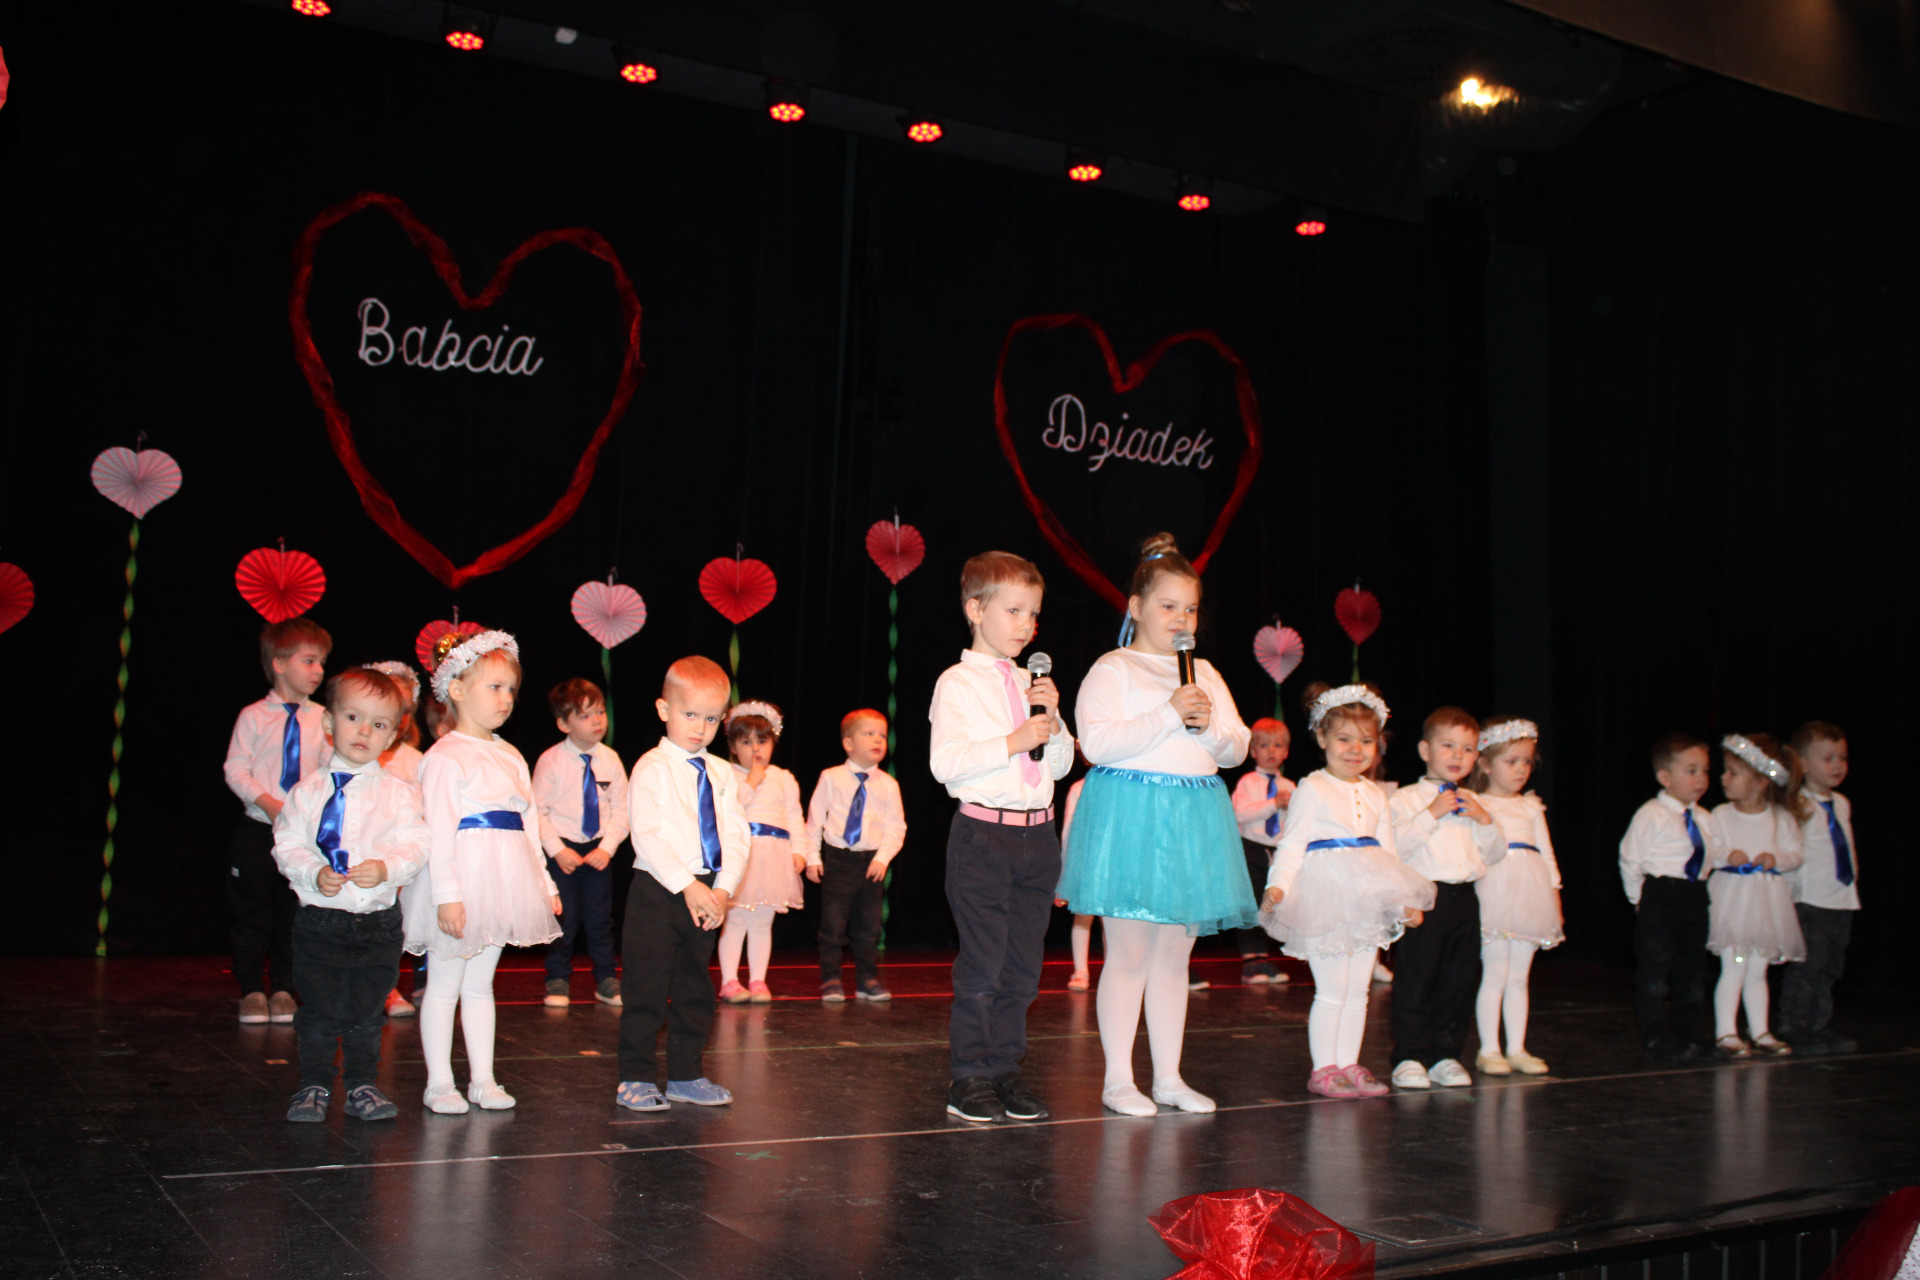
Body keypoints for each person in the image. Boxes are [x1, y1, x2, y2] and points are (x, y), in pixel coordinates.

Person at [1056, 532, 1259, 1118]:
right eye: (1168, 605)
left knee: (1175, 956)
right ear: (1136, 606)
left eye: (1190, 608)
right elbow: (1098, 744)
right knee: (1129, 952)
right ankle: (1119, 1080)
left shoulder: (1205, 673)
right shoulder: (1114, 667)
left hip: (1193, 817)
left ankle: (1169, 1077)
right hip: (1132, 815)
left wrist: (1206, 727)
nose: (1180, 619)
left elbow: (1236, 746)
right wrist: (1169, 713)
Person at [928, 550, 1075, 1123]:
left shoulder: (1032, 682)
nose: (1025, 624)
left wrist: (1053, 722)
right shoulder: (958, 682)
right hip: (983, 837)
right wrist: (1016, 740)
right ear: (975, 610)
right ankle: (968, 1075)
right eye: (1013, 610)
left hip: (1038, 839)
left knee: (1022, 969)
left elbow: (1060, 766)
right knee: (984, 966)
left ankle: (1005, 1067)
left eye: (1032, 613)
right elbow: (946, 764)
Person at [404, 628, 563, 1113]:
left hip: (503, 881)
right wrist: (446, 895)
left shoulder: (511, 754)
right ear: (457, 690)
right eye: (494, 687)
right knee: (444, 985)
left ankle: (483, 1080)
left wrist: (544, 883)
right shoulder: (444, 756)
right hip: (462, 882)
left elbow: (529, 825)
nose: (506, 698)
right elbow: (438, 832)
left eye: (510, 688)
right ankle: (439, 1083)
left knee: (479, 986)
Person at [1263, 684, 1433, 1099]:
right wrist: (1277, 886)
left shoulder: (1376, 794)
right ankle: (1324, 1068)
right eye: (1344, 739)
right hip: (1326, 897)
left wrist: (1402, 900)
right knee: (1332, 989)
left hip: (1365, 899)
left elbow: (1387, 854)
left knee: (1358, 991)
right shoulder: (1312, 787)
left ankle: (1348, 1062)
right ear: (1322, 738)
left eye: (1366, 741)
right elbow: (1292, 843)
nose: (1355, 749)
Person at [273, 668, 427, 1122]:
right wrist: (313, 872)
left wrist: (387, 868)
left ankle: (362, 1084)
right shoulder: (306, 792)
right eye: (353, 717)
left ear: (392, 736)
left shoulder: (399, 794)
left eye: (378, 724)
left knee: (367, 1012)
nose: (364, 732)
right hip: (322, 922)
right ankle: (314, 1084)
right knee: (320, 1012)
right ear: (328, 722)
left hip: (378, 925)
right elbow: (287, 844)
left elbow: (417, 844)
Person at [616, 656, 750, 1111]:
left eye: (711, 719)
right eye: (690, 714)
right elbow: (647, 834)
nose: (700, 728)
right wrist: (688, 886)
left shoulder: (721, 772)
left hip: (708, 891)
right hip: (660, 889)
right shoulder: (652, 766)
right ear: (663, 709)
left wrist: (723, 889)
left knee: (695, 989)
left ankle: (686, 1074)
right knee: (646, 989)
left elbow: (736, 833)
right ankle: (636, 1076)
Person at [224, 616, 331, 1024]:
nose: (318, 670)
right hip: (257, 829)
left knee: (294, 912)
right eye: (309, 661)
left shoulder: (323, 718)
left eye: (321, 662)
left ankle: (285, 988)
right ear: (280, 663)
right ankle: (252, 989)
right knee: (251, 911)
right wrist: (267, 802)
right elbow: (236, 768)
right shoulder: (253, 716)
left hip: (300, 834)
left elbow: (328, 769)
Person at [1619, 732, 1723, 1062]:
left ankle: (1689, 1033)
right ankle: (1656, 1037)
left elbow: (1712, 855)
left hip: (1694, 895)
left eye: (1705, 771)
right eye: (1691, 771)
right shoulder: (1652, 814)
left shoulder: (1705, 818)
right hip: (1661, 894)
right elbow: (1630, 858)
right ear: (1665, 777)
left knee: (1692, 970)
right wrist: (1638, 899)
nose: (1701, 779)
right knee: (1654, 972)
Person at [1468, 717, 1562, 1076]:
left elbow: (1547, 855)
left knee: (1520, 977)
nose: (1521, 769)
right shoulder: (1477, 802)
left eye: (1527, 761)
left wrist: (1554, 897)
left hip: (1531, 895)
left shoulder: (1530, 806)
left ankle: (1517, 1048)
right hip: (1495, 892)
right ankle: (1489, 1049)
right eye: (1511, 761)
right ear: (1485, 763)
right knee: (1495, 973)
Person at [1708, 733, 1807, 1057]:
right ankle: (1726, 1032)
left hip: (1766, 909)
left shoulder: (1781, 819)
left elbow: (1796, 855)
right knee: (1734, 968)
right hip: (1733, 909)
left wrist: (1774, 860)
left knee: (1758, 971)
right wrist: (1727, 855)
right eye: (1725, 771)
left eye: (1733, 772)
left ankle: (1760, 1030)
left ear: (1761, 782)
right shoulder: (1720, 815)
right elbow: (1708, 850)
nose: (1724, 778)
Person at [532, 679, 628, 1010]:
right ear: (564, 724)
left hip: (598, 851)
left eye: (600, 712)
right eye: (585, 716)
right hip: (564, 853)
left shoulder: (610, 759)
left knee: (600, 920)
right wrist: (557, 850)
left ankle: (606, 978)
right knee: (566, 919)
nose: (597, 721)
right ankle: (557, 978)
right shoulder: (551, 761)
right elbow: (536, 811)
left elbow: (623, 810)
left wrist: (607, 848)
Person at [804, 710, 907, 1003]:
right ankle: (831, 979)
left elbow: (896, 826)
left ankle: (867, 980)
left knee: (869, 928)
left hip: (871, 863)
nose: (878, 740)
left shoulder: (888, 784)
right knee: (833, 926)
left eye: (883, 735)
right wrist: (813, 857)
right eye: (869, 734)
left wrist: (882, 858)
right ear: (848, 743)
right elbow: (814, 820)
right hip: (838, 860)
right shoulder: (831, 777)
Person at [716, 700, 806, 1004]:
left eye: (762, 741)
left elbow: (794, 817)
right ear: (732, 746)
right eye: (746, 742)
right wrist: (750, 783)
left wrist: (800, 850)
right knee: (735, 920)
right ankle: (729, 981)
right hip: (743, 857)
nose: (755, 748)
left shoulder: (783, 777)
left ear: (773, 744)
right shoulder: (727, 775)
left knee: (763, 922)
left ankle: (757, 980)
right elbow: (726, 812)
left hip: (774, 858)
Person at [1778, 722, 1859, 1056]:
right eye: (1828, 758)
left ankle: (1818, 1024)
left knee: (1829, 968)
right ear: (1804, 764)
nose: (1838, 765)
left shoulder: (1841, 803)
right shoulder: (1797, 804)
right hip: (1810, 900)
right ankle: (1793, 1026)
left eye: (1842, 757)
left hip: (1841, 899)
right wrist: (1786, 898)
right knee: (1807, 968)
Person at [364, 659, 424, 1018]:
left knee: (394, 927)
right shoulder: (355, 754)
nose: (397, 716)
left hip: (399, 861)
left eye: (404, 709)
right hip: (362, 856)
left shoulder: (416, 759)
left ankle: (390, 986)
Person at [1229, 718, 1294, 985]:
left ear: (1286, 751)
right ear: (1253, 752)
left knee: (1270, 903)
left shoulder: (1290, 785)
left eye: (1277, 746)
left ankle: (1263, 958)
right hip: (1251, 847)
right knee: (1250, 902)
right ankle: (1250, 961)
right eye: (1264, 746)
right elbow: (1241, 813)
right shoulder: (1248, 782)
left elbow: (1296, 823)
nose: (1271, 751)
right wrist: (1273, 804)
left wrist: (1289, 808)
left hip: (1277, 850)